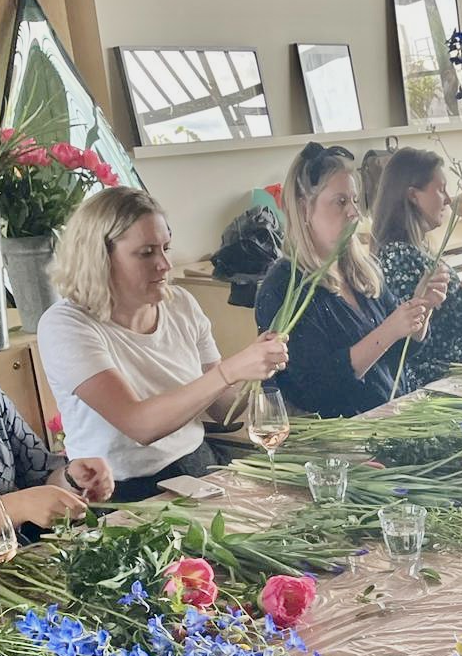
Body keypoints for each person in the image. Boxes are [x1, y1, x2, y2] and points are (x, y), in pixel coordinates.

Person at [39, 188, 288, 501]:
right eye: (146, 253)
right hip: (119, 492)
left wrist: (262, 375)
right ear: (99, 258)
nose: (165, 264)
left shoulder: (180, 303)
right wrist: (230, 370)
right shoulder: (66, 325)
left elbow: (224, 410)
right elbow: (140, 425)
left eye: (166, 248)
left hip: (196, 465)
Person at [255, 143, 446, 418]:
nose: (353, 212)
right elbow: (312, 391)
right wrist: (388, 331)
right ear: (304, 208)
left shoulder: (362, 271)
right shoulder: (284, 286)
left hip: (390, 415)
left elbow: (395, 356)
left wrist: (421, 309)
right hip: (340, 438)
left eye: (355, 201)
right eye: (341, 202)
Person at [371, 148, 462, 384]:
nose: (448, 199)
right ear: (413, 196)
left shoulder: (419, 250)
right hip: (441, 380)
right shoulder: (397, 256)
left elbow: (461, 312)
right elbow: (454, 327)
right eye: (440, 189)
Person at [0, 372, 112, 535]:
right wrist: (15, 507)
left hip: (22, 552)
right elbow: (23, 503)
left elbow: (39, 476)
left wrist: (74, 478)